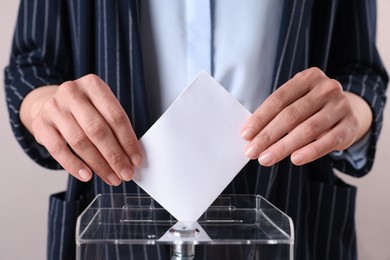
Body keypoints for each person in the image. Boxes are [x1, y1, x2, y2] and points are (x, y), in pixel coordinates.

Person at [4, 0, 388, 259]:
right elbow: (31, 67)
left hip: (289, 208)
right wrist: (43, 107)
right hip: (115, 220)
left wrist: (352, 111)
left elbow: (359, 70)